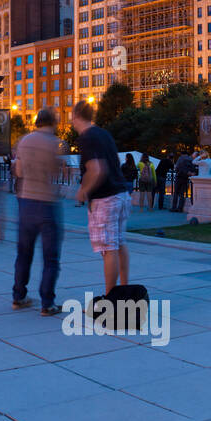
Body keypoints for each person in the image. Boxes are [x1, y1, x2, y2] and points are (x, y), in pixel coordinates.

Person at [72, 100, 131, 295]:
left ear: (76, 117)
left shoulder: (86, 137)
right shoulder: (103, 133)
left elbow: (97, 169)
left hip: (106, 199)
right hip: (122, 194)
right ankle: (123, 292)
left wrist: (83, 191)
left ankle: (111, 299)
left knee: (108, 249)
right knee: (119, 243)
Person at [10, 108, 63, 314]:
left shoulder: (24, 141)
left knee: (23, 253)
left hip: (25, 202)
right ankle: (47, 302)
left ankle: (19, 296)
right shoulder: (55, 143)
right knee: (50, 257)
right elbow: (55, 171)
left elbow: (19, 171)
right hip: (47, 202)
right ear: (53, 122)